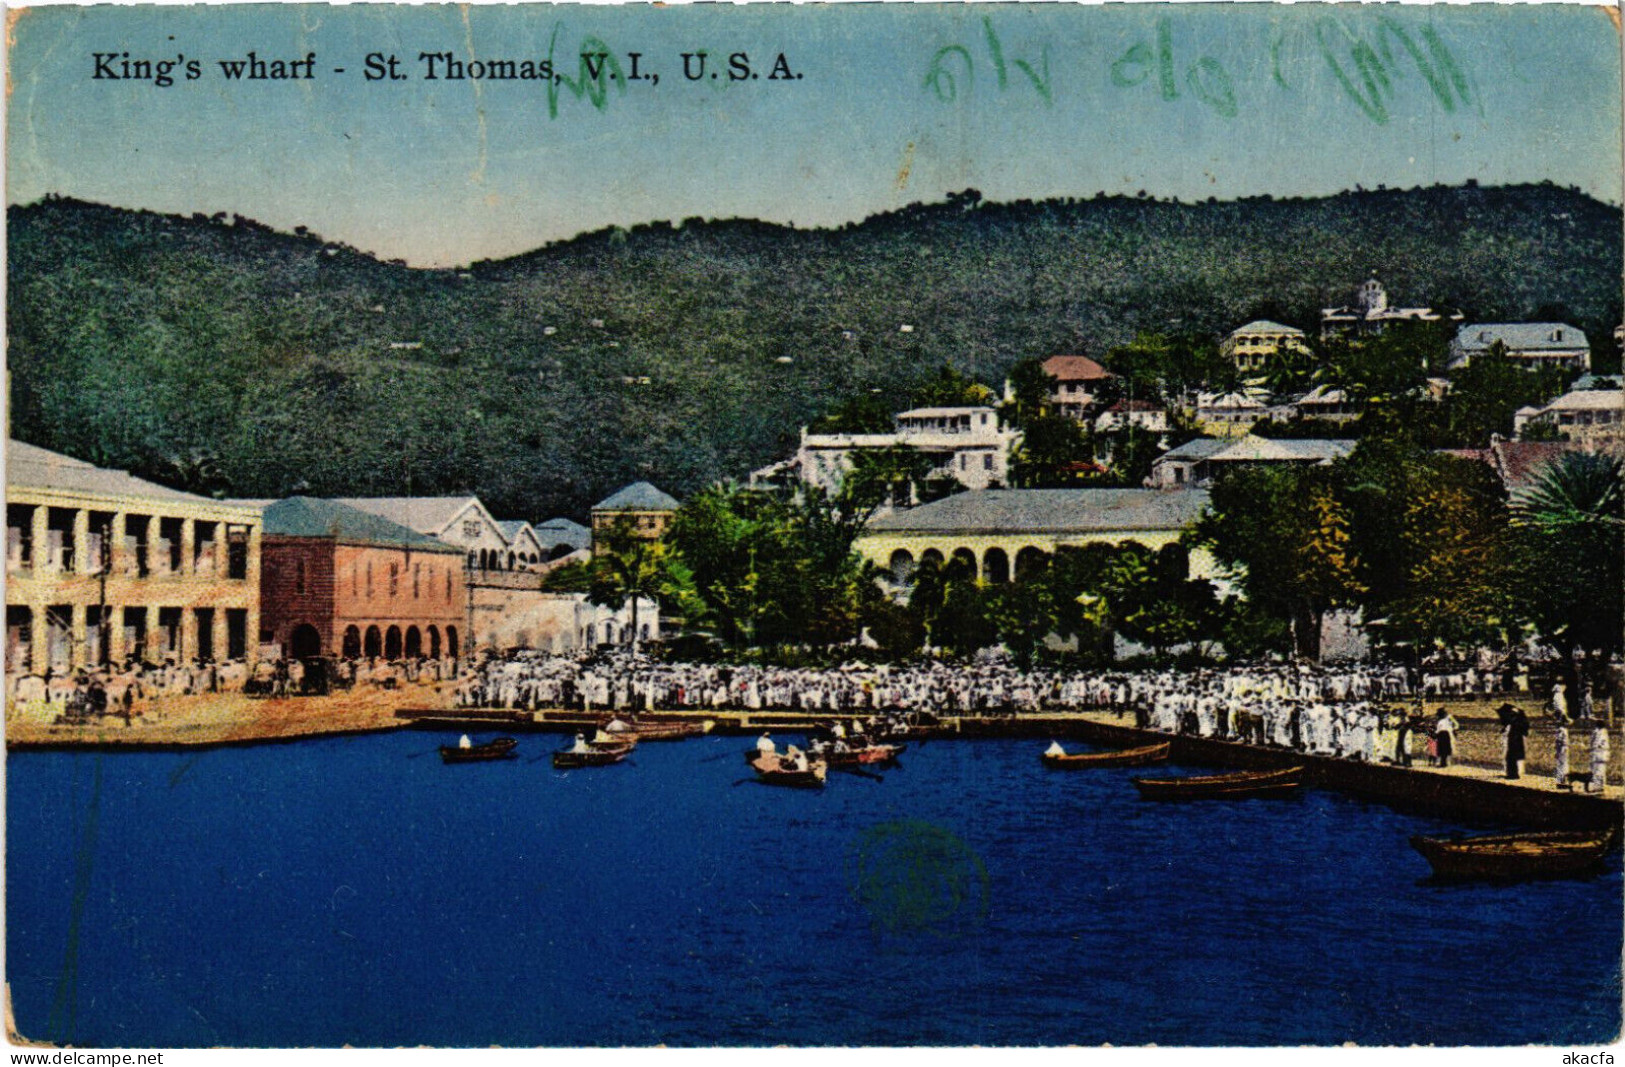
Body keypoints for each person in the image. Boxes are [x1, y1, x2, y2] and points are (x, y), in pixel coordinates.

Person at [1499, 703, 1529, 780]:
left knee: (1511, 756)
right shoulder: (1519, 716)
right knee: (1513, 756)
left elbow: (1509, 724)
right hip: (1517, 737)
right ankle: (1513, 773)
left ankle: (1513, 774)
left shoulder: (1513, 719)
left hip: (1514, 738)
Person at [1587, 722, 1610, 794]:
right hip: (1599, 755)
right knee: (1599, 771)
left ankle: (1598, 787)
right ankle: (1599, 787)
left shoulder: (1600, 733)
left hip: (1599, 754)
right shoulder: (1601, 732)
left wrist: (1593, 748)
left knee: (1598, 771)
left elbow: (1597, 744)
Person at [1553, 719, 1571, 791]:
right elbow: (1559, 740)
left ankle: (1561, 781)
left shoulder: (1560, 730)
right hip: (1563, 748)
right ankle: (1562, 782)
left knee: (1561, 765)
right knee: (1563, 765)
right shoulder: (1562, 730)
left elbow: (1559, 740)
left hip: (1562, 748)